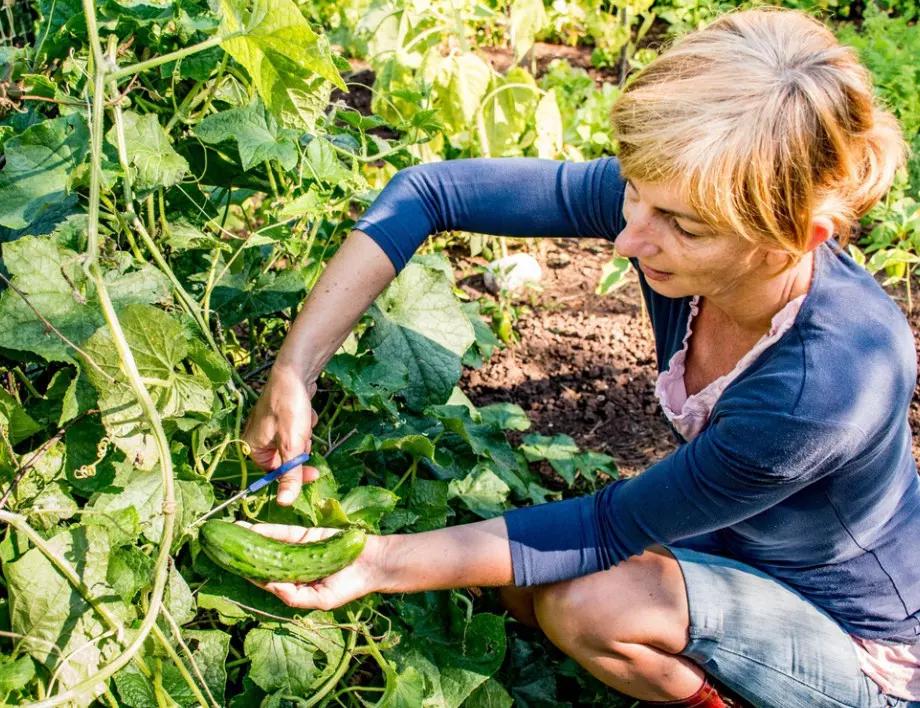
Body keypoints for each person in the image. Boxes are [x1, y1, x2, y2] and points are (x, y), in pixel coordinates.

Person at [240, 8, 920, 708]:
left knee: (587, 605)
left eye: (681, 228)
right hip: (742, 543)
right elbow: (429, 192)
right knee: (523, 581)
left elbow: (603, 529)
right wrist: (295, 370)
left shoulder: (825, 387)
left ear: (795, 237)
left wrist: (375, 562)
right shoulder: (678, 207)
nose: (629, 239)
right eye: (633, 191)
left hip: (861, 639)